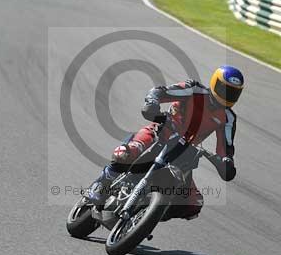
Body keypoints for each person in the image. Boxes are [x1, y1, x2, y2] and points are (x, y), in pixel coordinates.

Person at [86, 65, 243, 221]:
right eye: (225, 89)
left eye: (234, 92)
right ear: (215, 83)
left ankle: (146, 215)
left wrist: (226, 161)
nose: (228, 95)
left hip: (183, 151)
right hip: (161, 131)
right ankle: (101, 186)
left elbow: (225, 147)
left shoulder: (228, 117)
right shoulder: (194, 90)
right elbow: (160, 92)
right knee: (126, 153)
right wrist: (152, 103)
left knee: (194, 204)